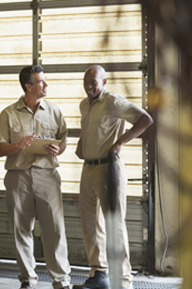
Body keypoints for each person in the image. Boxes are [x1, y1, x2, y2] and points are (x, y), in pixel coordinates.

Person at [73, 65, 153, 289]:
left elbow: (145, 119)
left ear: (104, 82)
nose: (89, 86)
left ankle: (124, 282)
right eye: (86, 82)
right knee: (90, 224)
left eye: (94, 83)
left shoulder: (113, 102)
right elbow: (86, 128)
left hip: (109, 169)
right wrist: (80, 145)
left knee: (114, 225)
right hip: (88, 169)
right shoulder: (84, 105)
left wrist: (121, 142)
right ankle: (99, 274)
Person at [0, 65, 71, 289]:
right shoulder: (8, 114)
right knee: (21, 229)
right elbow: (1, 149)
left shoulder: (54, 111)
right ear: (28, 86)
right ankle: (28, 279)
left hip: (48, 175)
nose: (46, 85)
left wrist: (60, 149)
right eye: (41, 82)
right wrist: (18, 145)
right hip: (18, 177)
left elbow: (63, 140)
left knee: (55, 229)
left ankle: (61, 280)